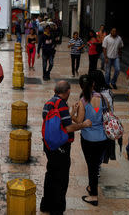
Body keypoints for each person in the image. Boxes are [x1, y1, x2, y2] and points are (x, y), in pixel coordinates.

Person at [40, 80, 92, 214]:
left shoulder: (49, 103)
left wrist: (72, 112)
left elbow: (56, 124)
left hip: (49, 145)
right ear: (67, 91)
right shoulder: (62, 105)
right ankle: (57, 209)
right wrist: (84, 124)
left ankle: (46, 204)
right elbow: (68, 128)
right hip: (61, 148)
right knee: (61, 179)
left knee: (50, 174)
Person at [74, 75, 109, 207]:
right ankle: (91, 186)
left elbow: (79, 122)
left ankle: (93, 196)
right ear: (93, 84)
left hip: (88, 139)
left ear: (81, 86)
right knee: (96, 164)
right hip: (103, 138)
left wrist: (73, 113)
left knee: (92, 167)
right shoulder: (103, 98)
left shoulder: (83, 101)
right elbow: (108, 114)